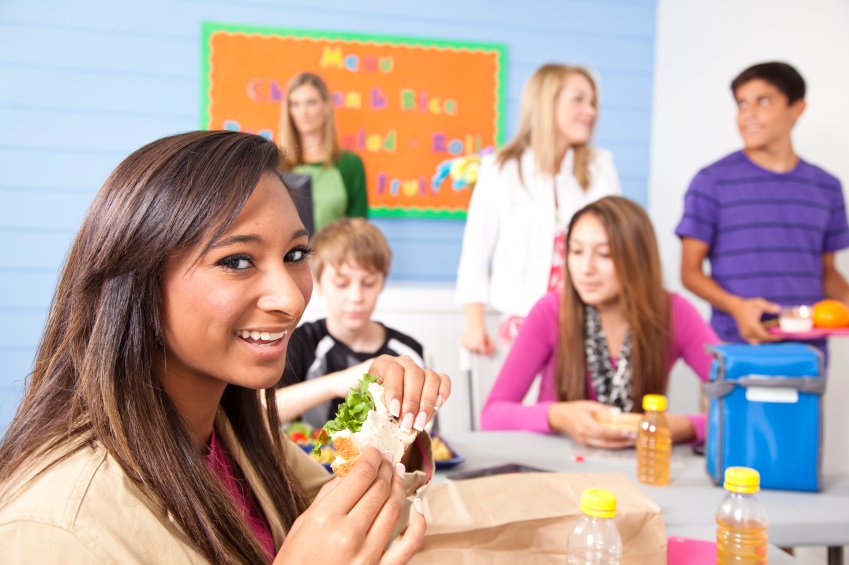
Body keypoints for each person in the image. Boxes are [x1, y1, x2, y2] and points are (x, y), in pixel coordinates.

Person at [0, 131, 450, 564]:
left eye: (295, 255)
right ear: (138, 284)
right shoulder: (56, 527)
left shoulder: (234, 435)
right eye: (236, 261)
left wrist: (391, 426)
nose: (292, 300)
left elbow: (360, 532)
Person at [480, 196, 718, 448]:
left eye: (605, 254)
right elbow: (492, 415)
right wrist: (559, 416)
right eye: (576, 251)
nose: (585, 268)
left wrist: (685, 426)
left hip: (638, 471)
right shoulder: (550, 311)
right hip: (559, 468)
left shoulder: (674, 312)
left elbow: (742, 405)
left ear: (638, 258)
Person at [676, 61, 849, 346]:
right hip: (734, 347)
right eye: (742, 104)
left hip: (807, 354)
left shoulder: (827, 187)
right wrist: (736, 307)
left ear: (796, 108)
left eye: (763, 101)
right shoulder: (711, 182)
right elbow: (690, 272)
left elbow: (827, 272)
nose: (748, 115)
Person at [456, 63, 621, 356]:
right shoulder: (500, 170)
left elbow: (619, 249)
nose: (591, 111)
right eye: (579, 99)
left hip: (588, 323)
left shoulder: (600, 168)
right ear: (547, 102)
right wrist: (474, 324)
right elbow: (475, 252)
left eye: (593, 102)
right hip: (522, 323)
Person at [275, 217, 425, 430]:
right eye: (341, 283)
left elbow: (420, 432)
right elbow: (260, 410)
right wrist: (338, 383)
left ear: (382, 282)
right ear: (317, 282)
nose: (356, 296)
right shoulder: (297, 343)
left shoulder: (406, 352)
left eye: (368, 283)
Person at [279, 72, 368, 232]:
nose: (303, 111)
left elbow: (359, 231)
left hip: (336, 256)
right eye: (295, 104)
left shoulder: (350, 164)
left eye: (311, 103)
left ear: (326, 106)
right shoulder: (277, 163)